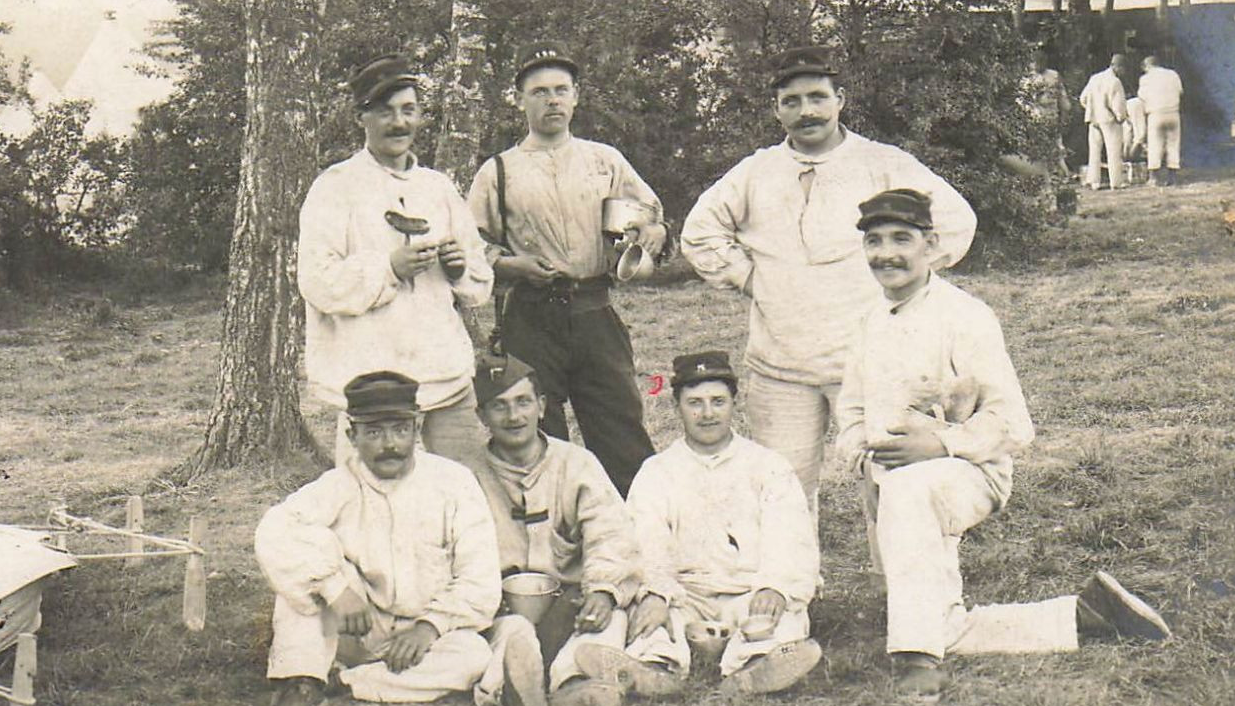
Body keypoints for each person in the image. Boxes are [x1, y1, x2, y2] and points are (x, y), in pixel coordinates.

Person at [834, 189, 1171, 701]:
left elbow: (1014, 423)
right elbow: (851, 413)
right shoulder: (866, 321)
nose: (887, 254)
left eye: (901, 239)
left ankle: (916, 657)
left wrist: (942, 444)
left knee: (912, 511)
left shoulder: (964, 315)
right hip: (891, 481)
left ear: (931, 244)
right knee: (938, 615)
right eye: (875, 242)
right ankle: (1081, 616)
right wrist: (865, 459)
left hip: (971, 470)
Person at [679, 45, 976, 525]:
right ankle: (793, 591)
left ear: (840, 99)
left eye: (817, 97)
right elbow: (699, 233)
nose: (806, 112)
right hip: (781, 363)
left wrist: (902, 282)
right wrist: (751, 278)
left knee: (890, 477)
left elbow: (957, 221)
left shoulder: (882, 163)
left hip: (870, 360)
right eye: (791, 101)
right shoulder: (757, 171)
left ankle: (900, 589)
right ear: (777, 109)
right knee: (783, 486)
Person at [466, 42, 664, 496]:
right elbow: (471, 243)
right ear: (520, 100)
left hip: (595, 312)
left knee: (620, 430)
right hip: (530, 317)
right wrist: (510, 265)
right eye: (539, 92)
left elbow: (648, 213)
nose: (552, 100)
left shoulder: (604, 160)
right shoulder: (498, 171)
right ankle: (550, 541)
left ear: (575, 97)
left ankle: (637, 538)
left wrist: (653, 231)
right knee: (538, 436)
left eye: (561, 90)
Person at [255, 372, 501, 706]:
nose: (390, 444)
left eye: (400, 429)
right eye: (374, 432)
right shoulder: (337, 486)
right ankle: (303, 680)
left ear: (417, 429)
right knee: (301, 579)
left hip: (428, 635)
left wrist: (429, 628)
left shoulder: (454, 482)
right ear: (352, 435)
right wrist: (336, 590)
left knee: (475, 657)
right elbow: (275, 530)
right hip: (356, 627)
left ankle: (350, 683)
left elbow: (479, 578)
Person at [299, 55, 493, 468]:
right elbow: (317, 281)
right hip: (373, 388)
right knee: (372, 503)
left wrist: (459, 270)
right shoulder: (335, 188)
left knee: (467, 490)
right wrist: (389, 268)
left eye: (408, 111)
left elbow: (479, 281)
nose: (399, 123)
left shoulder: (437, 188)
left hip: (445, 378)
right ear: (362, 119)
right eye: (385, 112)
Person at [607, 351, 824, 697]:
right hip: (687, 594)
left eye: (717, 401)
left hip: (749, 591)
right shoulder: (658, 470)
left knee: (778, 622)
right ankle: (654, 670)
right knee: (655, 622)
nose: (707, 414)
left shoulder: (767, 465)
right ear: (677, 406)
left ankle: (755, 668)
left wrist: (775, 586)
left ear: (733, 405)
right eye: (695, 403)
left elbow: (791, 536)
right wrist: (658, 591)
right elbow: (647, 540)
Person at [465, 353, 656, 706]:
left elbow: (610, 534)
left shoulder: (576, 463)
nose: (514, 416)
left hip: (569, 604)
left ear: (541, 406)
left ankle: (573, 685)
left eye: (523, 402)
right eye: (499, 407)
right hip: (500, 608)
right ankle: (511, 689)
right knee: (510, 635)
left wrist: (602, 591)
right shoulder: (468, 474)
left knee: (609, 618)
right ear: (482, 416)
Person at [1078, 54, 1130, 190]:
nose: (1124, 72)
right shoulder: (1115, 82)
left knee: (1094, 151)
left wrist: (1091, 109)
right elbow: (1118, 104)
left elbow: (1083, 98)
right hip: (1109, 120)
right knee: (1113, 151)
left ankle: (1094, 182)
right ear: (1117, 66)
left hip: (1093, 118)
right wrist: (1121, 118)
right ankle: (1116, 182)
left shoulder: (1094, 78)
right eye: (1124, 68)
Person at [1020, 48, 1072, 179]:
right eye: (1035, 62)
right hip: (1035, 118)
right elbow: (1023, 101)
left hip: (1050, 116)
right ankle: (1048, 175)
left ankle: (1061, 174)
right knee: (1039, 149)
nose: (1037, 65)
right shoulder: (1027, 78)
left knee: (1056, 147)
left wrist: (1064, 116)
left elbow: (1063, 99)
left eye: (1040, 62)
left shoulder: (1054, 76)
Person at [1137, 55, 1184, 187]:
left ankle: (1154, 178)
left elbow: (1142, 97)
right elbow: (1180, 91)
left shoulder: (1145, 78)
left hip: (1156, 114)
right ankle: (1172, 177)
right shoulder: (1173, 74)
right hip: (1173, 113)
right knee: (1173, 144)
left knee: (1155, 145)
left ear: (1146, 66)